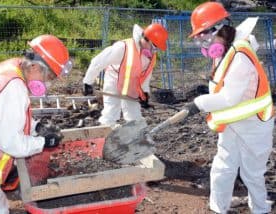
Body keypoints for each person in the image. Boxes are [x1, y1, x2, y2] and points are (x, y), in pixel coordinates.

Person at [184, 2, 274, 214]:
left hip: (255, 124)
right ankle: (218, 208)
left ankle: (260, 209)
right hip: (232, 123)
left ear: (220, 29)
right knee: (223, 166)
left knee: (252, 172)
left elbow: (229, 98)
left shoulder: (240, 55)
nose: (204, 44)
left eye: (205, 37)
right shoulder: (223, 53)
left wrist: (199, 103)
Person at [0, 34, 72, 214]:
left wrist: (36, 127)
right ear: (35, 66)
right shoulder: (14, 88)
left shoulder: (13, 69)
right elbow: (12, 144)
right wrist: (44, 142)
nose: (48, 84)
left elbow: (3, 115)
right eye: (49, 76)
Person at [82, 23, 168, 126]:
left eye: (156, 48)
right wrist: (88, 81)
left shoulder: (149, 58)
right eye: (154, 47)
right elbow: (98, 61)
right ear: (146, 39)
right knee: (110, 113)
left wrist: (144, 94)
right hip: (114, 81)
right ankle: (105, 135)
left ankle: (136, 138)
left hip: (132, 87)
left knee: (135, 117)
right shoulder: (123, 48)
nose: (154, 51)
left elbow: (145, 77)